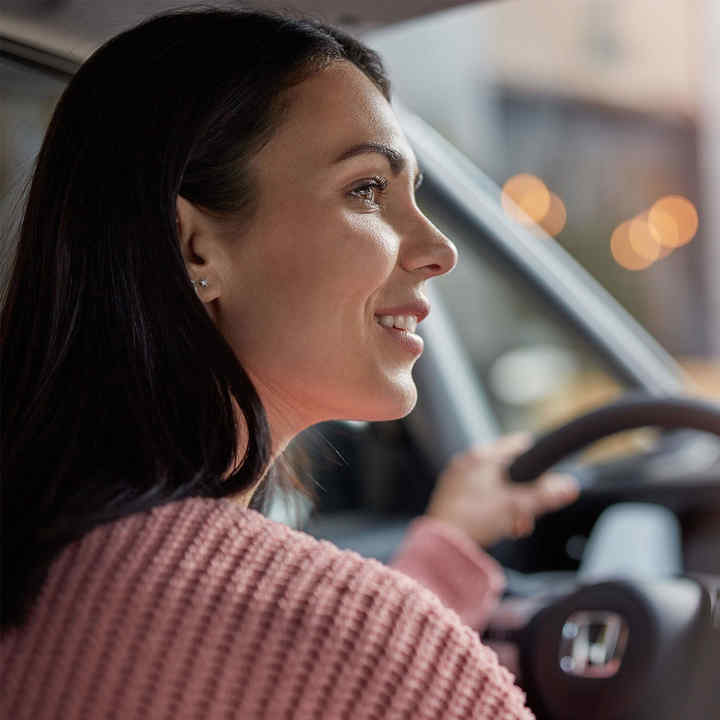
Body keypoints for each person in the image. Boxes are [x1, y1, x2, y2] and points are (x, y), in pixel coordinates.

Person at [0, 8, 578, 719]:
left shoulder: (41, 563)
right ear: (194, 250)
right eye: (368, 189)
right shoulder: (364, 643)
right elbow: (321, 653)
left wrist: (443, 552)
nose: (439, 249)